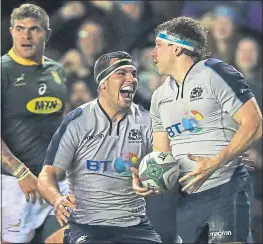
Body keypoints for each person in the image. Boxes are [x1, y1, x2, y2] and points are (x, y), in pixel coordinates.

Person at [132, 16, 262, 243]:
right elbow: (162, 156)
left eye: (158, 46)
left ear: (176, 48)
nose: (152, 54)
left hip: (225, 188)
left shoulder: (215, 72)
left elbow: (254, 123)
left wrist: (216, 162)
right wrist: (149, 181)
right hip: (186, 200)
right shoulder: (159, 97)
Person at [37, 51, 162, 244]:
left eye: (133, 73)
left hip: (135, 226)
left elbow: (162, 166)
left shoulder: (146, 121)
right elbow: (47, 175)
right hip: (88, 226)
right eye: (121, 73)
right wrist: (57, 199)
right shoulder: (78, 121)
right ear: (103, 83)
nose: (131, 79)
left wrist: (152, 182)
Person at [1, 3, 68, 243]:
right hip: (14, 185)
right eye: (19, 28)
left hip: (54, 181)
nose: (25, 35)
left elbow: (60, 123)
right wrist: (20, 172)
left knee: (76, 234)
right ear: (11, 32)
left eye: (34, 29)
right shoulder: (2, 72)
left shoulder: (57, 70)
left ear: (47, 34)